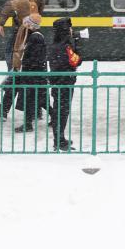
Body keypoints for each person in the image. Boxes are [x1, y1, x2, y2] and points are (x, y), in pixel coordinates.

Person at [0, 0, 45, 119]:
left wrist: (1, 23)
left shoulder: (17, 0)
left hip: (20, 36)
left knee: (16, 76)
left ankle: (9, 110)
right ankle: (35, 110)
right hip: (31, 33)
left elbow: (6, 9)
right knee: (23, 78)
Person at [47, 17, 82, 151]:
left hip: (58, 82)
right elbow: (76, 61)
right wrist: (77, 45)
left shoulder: (55, 45)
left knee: (58, 111)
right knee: (62, 112)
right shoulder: (65, 46)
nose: (72, 30)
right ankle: (59, 140)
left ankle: (60, 138)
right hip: (65, 83)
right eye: (69, 28)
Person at [14, 14, 47, 133]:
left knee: (34, 99)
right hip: (35, 74)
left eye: (26, 23)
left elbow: (34, 57)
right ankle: (29, 123)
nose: (24, 25)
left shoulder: (35, 38)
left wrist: (23, 59)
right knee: (38, 100)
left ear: (30, 25)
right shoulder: (34, 37)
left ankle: (29, 124)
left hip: (33, 74)